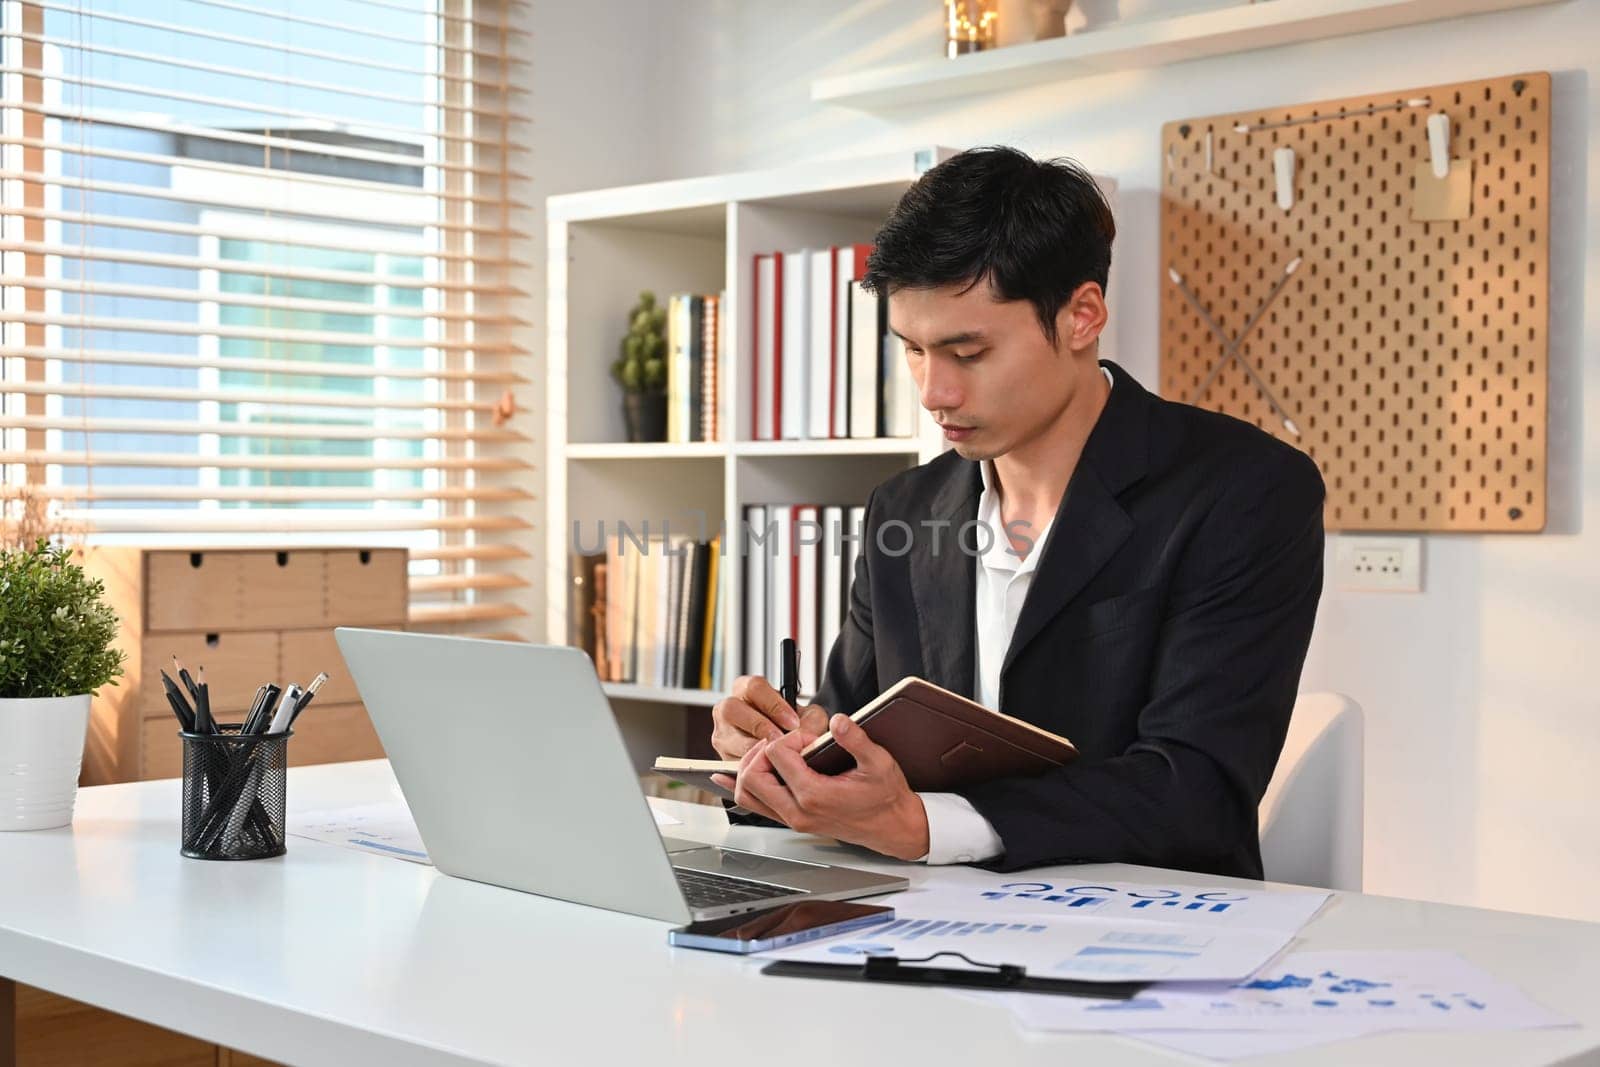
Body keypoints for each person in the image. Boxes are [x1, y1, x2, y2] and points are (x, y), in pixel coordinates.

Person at [708, 146, 1325, 879]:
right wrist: (785, 748)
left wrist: (922, 824)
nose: (934, 391)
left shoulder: (1244, 491)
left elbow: (1195, 791)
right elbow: (849, 731)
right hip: (925, 929)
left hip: (1142, 937)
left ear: (1081, 317)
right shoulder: (904, 509)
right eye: (911, 349)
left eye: (967, 352)